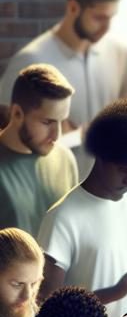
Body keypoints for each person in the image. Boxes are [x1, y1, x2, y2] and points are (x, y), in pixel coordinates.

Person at [37, 98, 127, 317]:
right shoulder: (63, 217)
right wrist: (115, 292)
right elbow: (48, 309)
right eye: (124, 170)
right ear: (101, 154)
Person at [0, 0, 127, 173]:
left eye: (112, 18)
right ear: (73, 7)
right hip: (50, 191)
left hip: (111, 191)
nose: (107, 28)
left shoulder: (121, 53)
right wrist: (68, 135)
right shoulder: (30, 60)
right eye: (99, 18)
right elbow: (6, 138)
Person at [0, 65, 77, 237]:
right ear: (17, 113)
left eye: (61, 121)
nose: (57, 135)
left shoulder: (65, 159)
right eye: (47, 122)